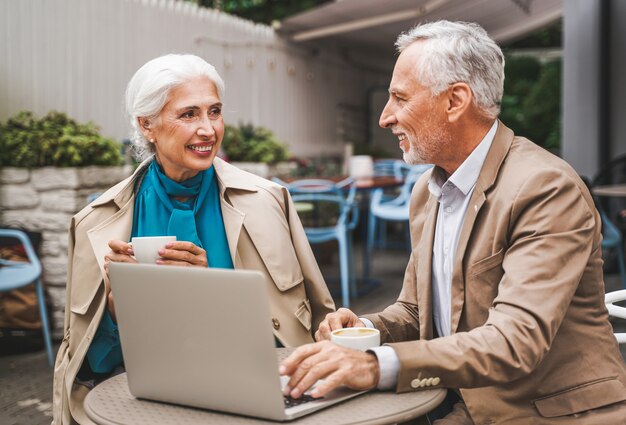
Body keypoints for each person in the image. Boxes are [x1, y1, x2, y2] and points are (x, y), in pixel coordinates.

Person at [280, 20, 626, 424]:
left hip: (543, 413)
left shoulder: (545, 188)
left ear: (455, 100)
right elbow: (414, 310)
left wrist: (375, 365)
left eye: (399, 98)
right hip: (458, 404)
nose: (385, 118)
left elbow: (514, 342)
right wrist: (366, 327)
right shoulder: (427, 191)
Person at [51, 53, 335, 424]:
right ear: (147, 125)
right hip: (146, 406)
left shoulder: (268, 201)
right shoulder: (94, 223)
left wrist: (212, 288)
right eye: (189, 115)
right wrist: (120, 307)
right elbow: (93, 364)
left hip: (262, 401)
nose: (208, 129)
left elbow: (315, 322)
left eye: (214, 112)